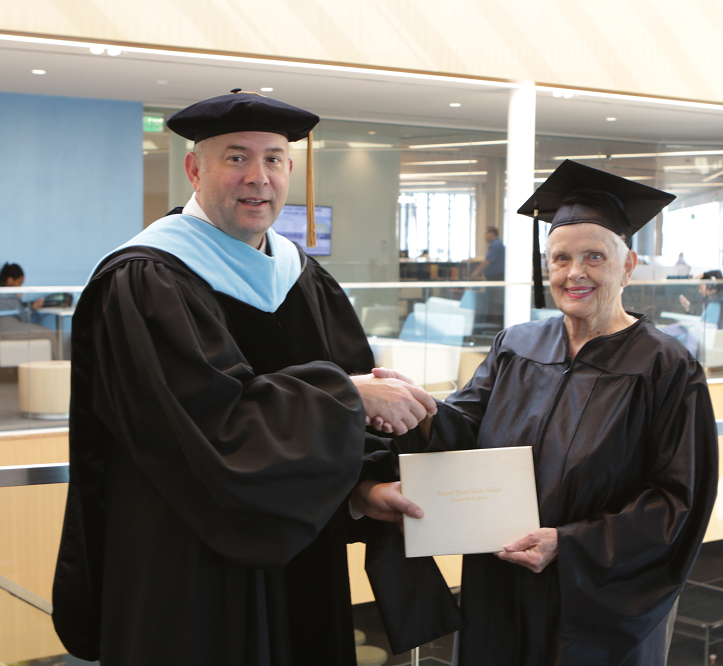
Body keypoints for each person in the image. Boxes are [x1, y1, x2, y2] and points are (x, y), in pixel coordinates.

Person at [51, 90, 439, 666]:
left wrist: (362, 487)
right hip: (190, 565)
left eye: (275, 158)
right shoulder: (145, 281)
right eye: (236, 157)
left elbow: (346, 429)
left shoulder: (303, 277)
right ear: (194, 169)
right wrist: (349, 395)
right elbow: (210, 428)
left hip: (304, 555)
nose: (259, 177)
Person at [355, 160, 719, 665]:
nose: (576, 273)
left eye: (595, 257)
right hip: (500, 581)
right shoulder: (518, 344)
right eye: (561, 258)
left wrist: (568, 544)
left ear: (628, 264)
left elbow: (677, 499)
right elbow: (465, 424)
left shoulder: (665, 366)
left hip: (593, 600)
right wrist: (416, 407)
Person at [0, 263, 60, 358]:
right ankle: (61, 367)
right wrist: (30, 306)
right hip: (7, 329)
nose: (20, 287)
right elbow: (24, 317)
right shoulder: (7, 294)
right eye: (19, 283)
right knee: (50, 333)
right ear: (10, 280)